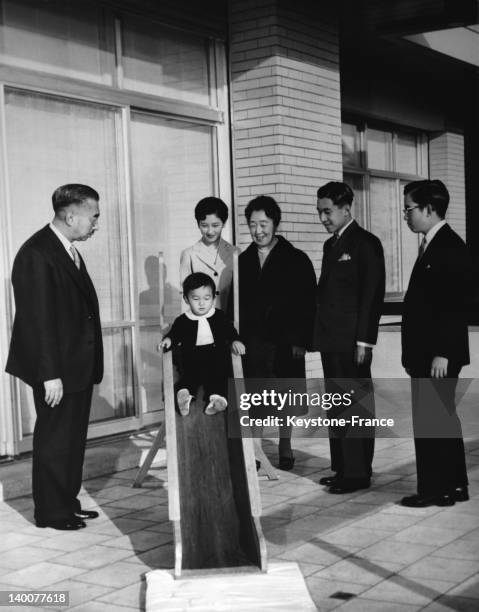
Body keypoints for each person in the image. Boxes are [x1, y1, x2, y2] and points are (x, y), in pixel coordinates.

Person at [6, 184, 103, 530]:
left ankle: (67, 502)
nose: (95, 224)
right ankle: (51, 512)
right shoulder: (36, 253)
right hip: (56, 371)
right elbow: (37, 320)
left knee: (72, 439)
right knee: (54, 440)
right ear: (71, 214)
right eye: (93, 216)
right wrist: (50, 375)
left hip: (76, 366)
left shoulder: (69, 251)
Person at [401, 179, 471, 507]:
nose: (405, 214)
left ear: (429, 209)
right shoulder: (434, 243)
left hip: (438, 353)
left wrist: (444, 352)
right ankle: (454, 486)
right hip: (429, 352)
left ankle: (435, 490)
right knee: (442, 419)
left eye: (409, 208)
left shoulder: (448, 246)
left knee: (432, 421)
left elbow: (454, 304)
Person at [314, 181, 385, 494]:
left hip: (353, 342)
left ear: (346, 208)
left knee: (354, 406)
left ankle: (357, 474)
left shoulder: (366, 243)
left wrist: (364, 341)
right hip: (331, 341)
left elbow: (372, 295)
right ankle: (343, 467)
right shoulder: (331, 246)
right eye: (320, 212)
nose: (323, 218)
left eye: (328, 211)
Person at [237, 195, 317, 470]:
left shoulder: (296, 259)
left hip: (286, 342)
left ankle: (285, 445)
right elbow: (236, 306)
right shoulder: (242, 261)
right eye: (252, 224)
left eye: (263, 223)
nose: (258, 231)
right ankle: (257, 449)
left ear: (275, 223)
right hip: (254, 343)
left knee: (286, 397)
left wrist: (301, 340)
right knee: (256, 398)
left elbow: (308, 303)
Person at [160, 272, 245, 416]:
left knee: (219, 376)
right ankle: (184, 395)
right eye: (195, 298)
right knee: (188, 377)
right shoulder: (183, 320)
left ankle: (216, 399)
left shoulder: (219, 316)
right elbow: (174, 334)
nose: (201, 303)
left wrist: (235, 340)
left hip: (216, 357)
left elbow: (230, 331)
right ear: (186, 299)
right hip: (191, 358)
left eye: (207, 298)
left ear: (213, 298)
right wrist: (168, 340)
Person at [180, 197, 240, 311]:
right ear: (198, 224)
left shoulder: (236, 253)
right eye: (204, 225)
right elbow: (185, 297)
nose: (210, 231)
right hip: (201, 323)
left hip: (228, 321)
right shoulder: (189, 254)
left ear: (224, 223)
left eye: (215, 225)